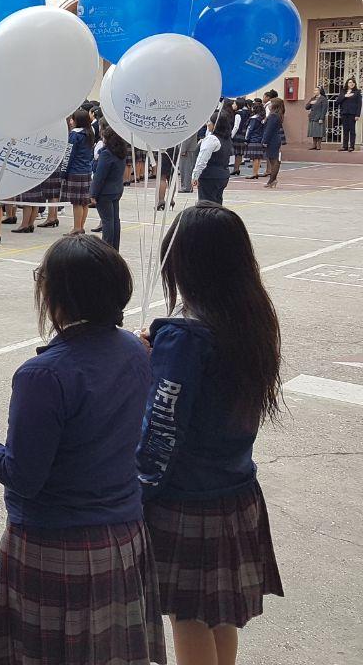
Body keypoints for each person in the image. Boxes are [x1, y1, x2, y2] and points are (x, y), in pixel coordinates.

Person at [0, 234, 164, 665]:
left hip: (56, 550)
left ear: (56, 295)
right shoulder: (136, 351)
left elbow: (24, 476)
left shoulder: (43, 374)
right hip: (124, 537)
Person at [139, 203, 284, 665]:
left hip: (187, 500)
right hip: (236, 489)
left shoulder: (185, 337)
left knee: (188, 617)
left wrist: (136, 490)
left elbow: (161, 431)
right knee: (218, 615)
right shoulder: (251, 319)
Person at [91, 124, 128, 251]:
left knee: (107, 221)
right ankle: (114, 247)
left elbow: (99, 176)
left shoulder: (106, 154)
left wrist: (93, 194)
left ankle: (106, 248)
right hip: (116, 189)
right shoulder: (120, 153)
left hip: (105, 192)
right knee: (115, 220)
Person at [191, 111, 235, 205]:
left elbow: (202, 159)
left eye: (210, 122)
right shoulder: (227, 139)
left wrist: (195, 175)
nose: (208, 124)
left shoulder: (211, 139)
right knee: (217, 203)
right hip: (223, 175)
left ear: (216, 124)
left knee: (206, 204)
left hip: (209, 176)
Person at [261, 97, 285, 188]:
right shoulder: (277, 115)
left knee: (274, 160)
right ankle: (272, 180)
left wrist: (264, 141)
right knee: (272, 160)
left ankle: (272, 180)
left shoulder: (273, 116)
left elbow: (269, 130)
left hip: (272, 140)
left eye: (271, 103)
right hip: (274, 139)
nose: (269, 105)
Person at [336, 77, 361, 151]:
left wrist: (357, 115)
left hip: (352, 114)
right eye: (350, 82)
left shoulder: (357, 92)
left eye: (353, 82)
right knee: (345, 130)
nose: (351, 83)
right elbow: (338, 102)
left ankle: (352, 146)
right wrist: (345, 96)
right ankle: (345, 146)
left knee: (352, 130)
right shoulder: (343, 91)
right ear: (347, 83)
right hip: (344, 113)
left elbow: (359, 104)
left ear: (354, 84)